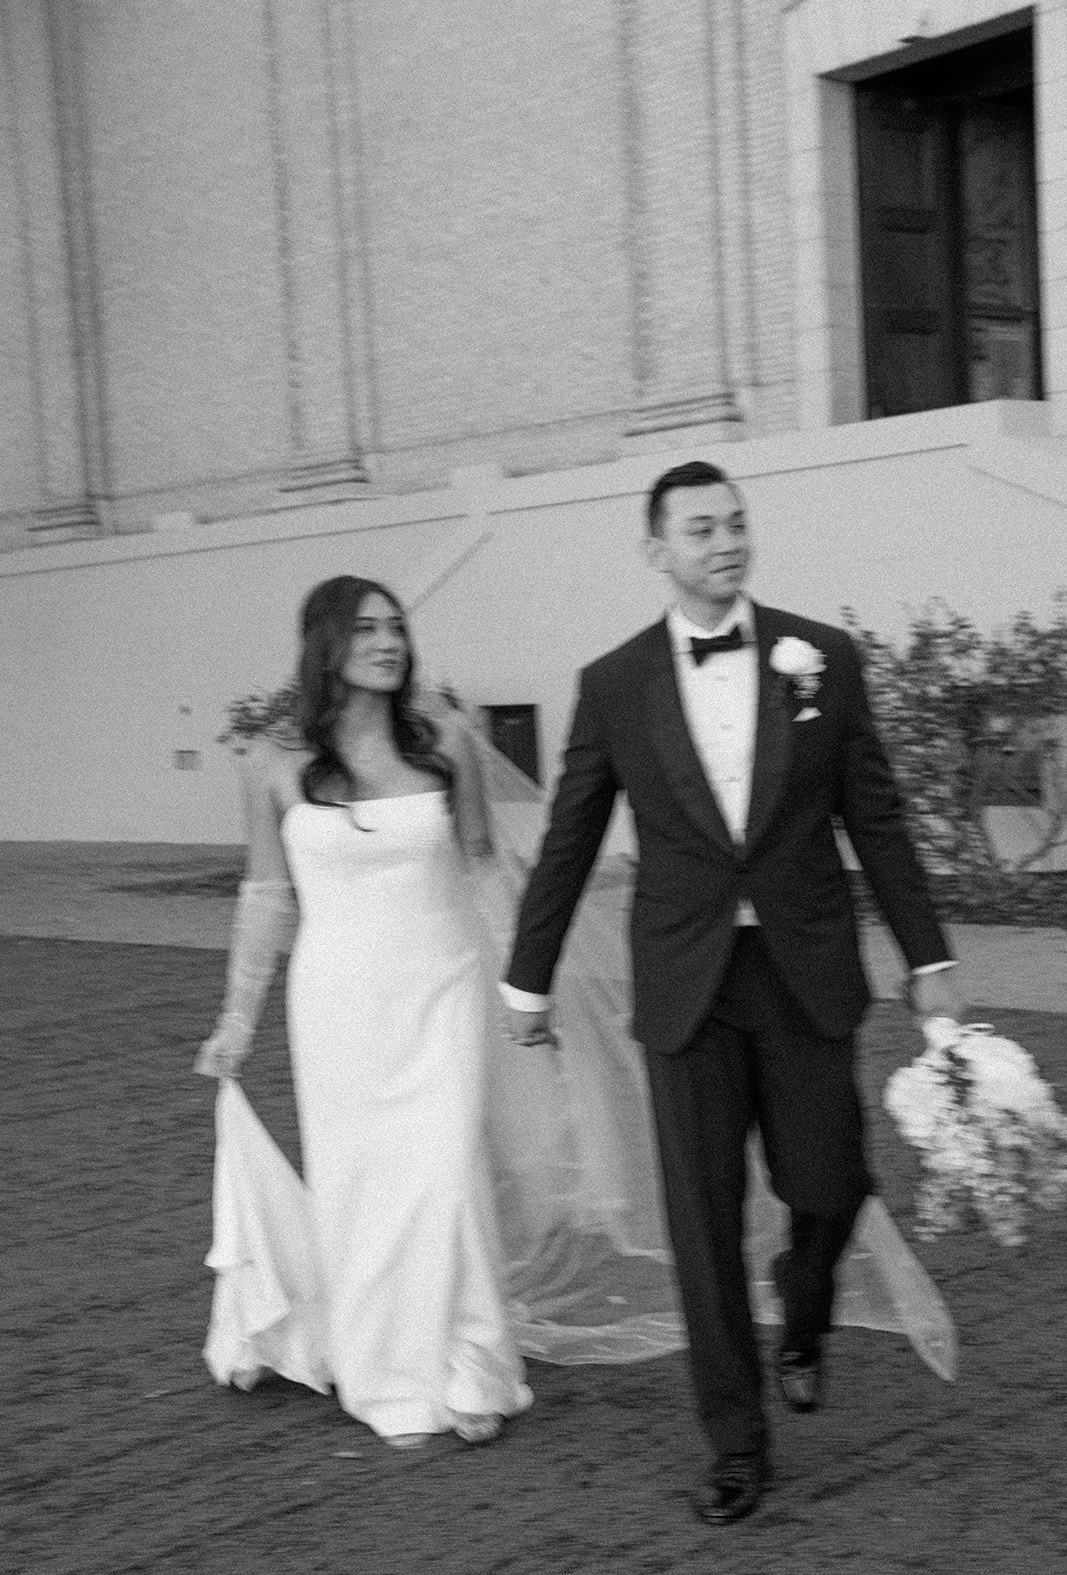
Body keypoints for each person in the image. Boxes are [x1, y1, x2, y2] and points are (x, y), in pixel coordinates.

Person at [502, 460, 961, 1524]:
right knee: (701, 1222)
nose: (725, 541)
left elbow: (874, 817)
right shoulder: (613, 683)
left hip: (802, 968)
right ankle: (736, 1440)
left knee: (830, 1177)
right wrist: (526, 975)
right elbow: (569, 836)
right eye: (700, 528)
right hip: (685, 984)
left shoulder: (821, 658)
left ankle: (803, 1308)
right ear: (655, 550)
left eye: (737, 524)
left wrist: (926, 955)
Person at [195, 575, 533, 1449]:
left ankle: (468, 1365)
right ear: (325, 646)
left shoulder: (447, 743)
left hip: (443, 988)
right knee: (364, 1185)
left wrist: (518, 984)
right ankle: (385, 1371)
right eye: (365, 630)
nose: (387, 642)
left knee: (447, 1172)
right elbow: (265, 897)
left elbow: (487, 871)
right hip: (338, 1001)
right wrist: (237, 1023)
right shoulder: (270, 764)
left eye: (396, 628)